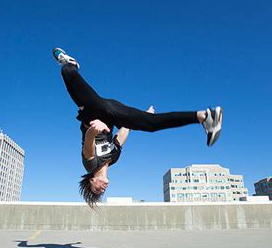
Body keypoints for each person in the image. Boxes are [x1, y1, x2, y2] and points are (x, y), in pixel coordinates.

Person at [53, 48, 223, 208]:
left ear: (91, 180)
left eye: (97, 189)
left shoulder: (91, 165)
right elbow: (123, 133)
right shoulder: (114, 157)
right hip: (112, 113)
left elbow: (88, 141)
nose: (102, 189)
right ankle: (205, 117)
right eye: (102, 191)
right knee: (151, 124)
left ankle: (69, 62)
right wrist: (142, 117)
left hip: (93, 111)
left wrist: (96, 128)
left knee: (67, 72)